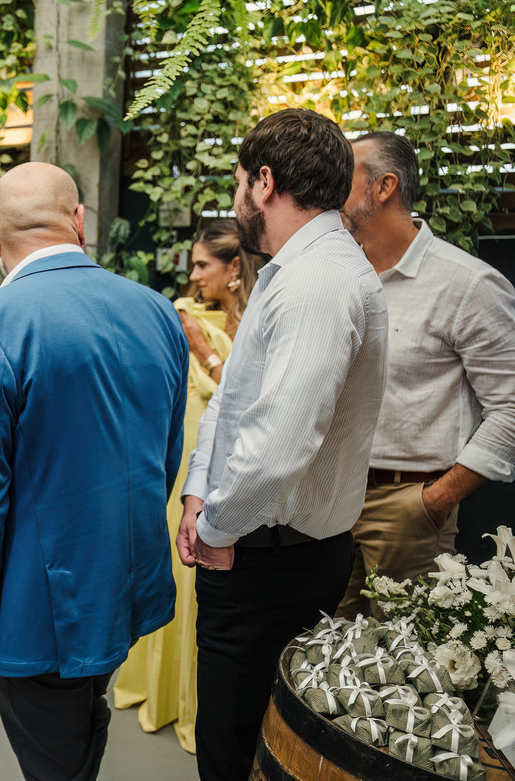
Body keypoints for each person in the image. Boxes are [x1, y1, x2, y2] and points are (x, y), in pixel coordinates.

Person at [0, 161, 188, 781]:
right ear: (79, 222)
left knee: (54, 761)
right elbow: (164, 454)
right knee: (85, 717)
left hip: (39, 608)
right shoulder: (156, 310)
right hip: (128, 582)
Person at [176, 108, 388, 781]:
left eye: (241, 182)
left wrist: (215, 525)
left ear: (264, 182)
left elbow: (278, 445)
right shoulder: (291, 269)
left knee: (240, 754)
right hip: (261, 547)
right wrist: (198, 491)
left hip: (274, 564)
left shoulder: (316, 279)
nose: (237, 200)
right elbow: (236, 402)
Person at [337, 131, 515, 618]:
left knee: (399, 675)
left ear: (384, 186)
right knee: (316, 669)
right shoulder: (339, 277)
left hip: (408, 508)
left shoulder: (467, 283)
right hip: (327, 503)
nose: (329, 190)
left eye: (343, 178)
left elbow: (511, 409)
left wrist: (433, 501)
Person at [113, 221, 262, 754]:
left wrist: (210, 353)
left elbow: (253, 400)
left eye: (204, 265)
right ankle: (161, 689)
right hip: (188, 451)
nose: (194, 276)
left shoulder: (261, 314)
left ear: (235, 268)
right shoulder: (182, 314)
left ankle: (205, 695)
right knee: (180, 557)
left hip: (238, 454)